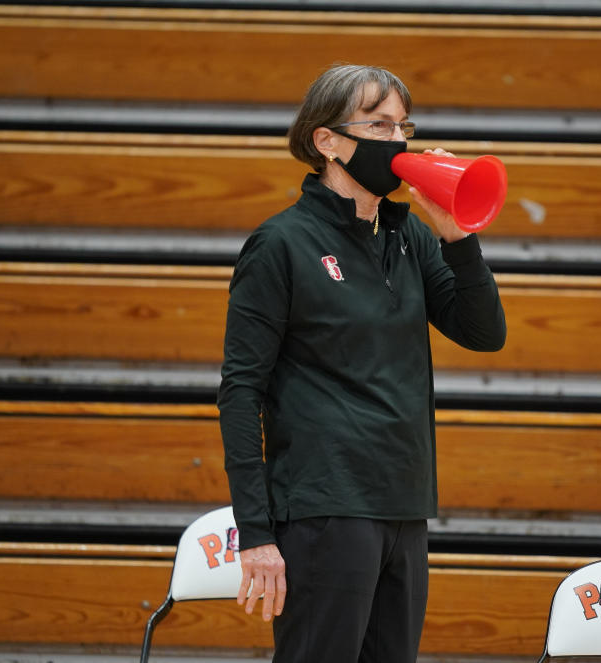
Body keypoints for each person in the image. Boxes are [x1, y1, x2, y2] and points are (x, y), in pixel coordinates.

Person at [217, 63, 507, 662]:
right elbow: (240, 391)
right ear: (327, 141)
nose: (398, 142)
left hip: (404, 504)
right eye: (379, 126)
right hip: (325, 507)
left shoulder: (409, 237)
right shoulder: (281, 245)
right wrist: (258, 534)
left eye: (404, 126)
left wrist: (457, 235)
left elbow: (485, 335)